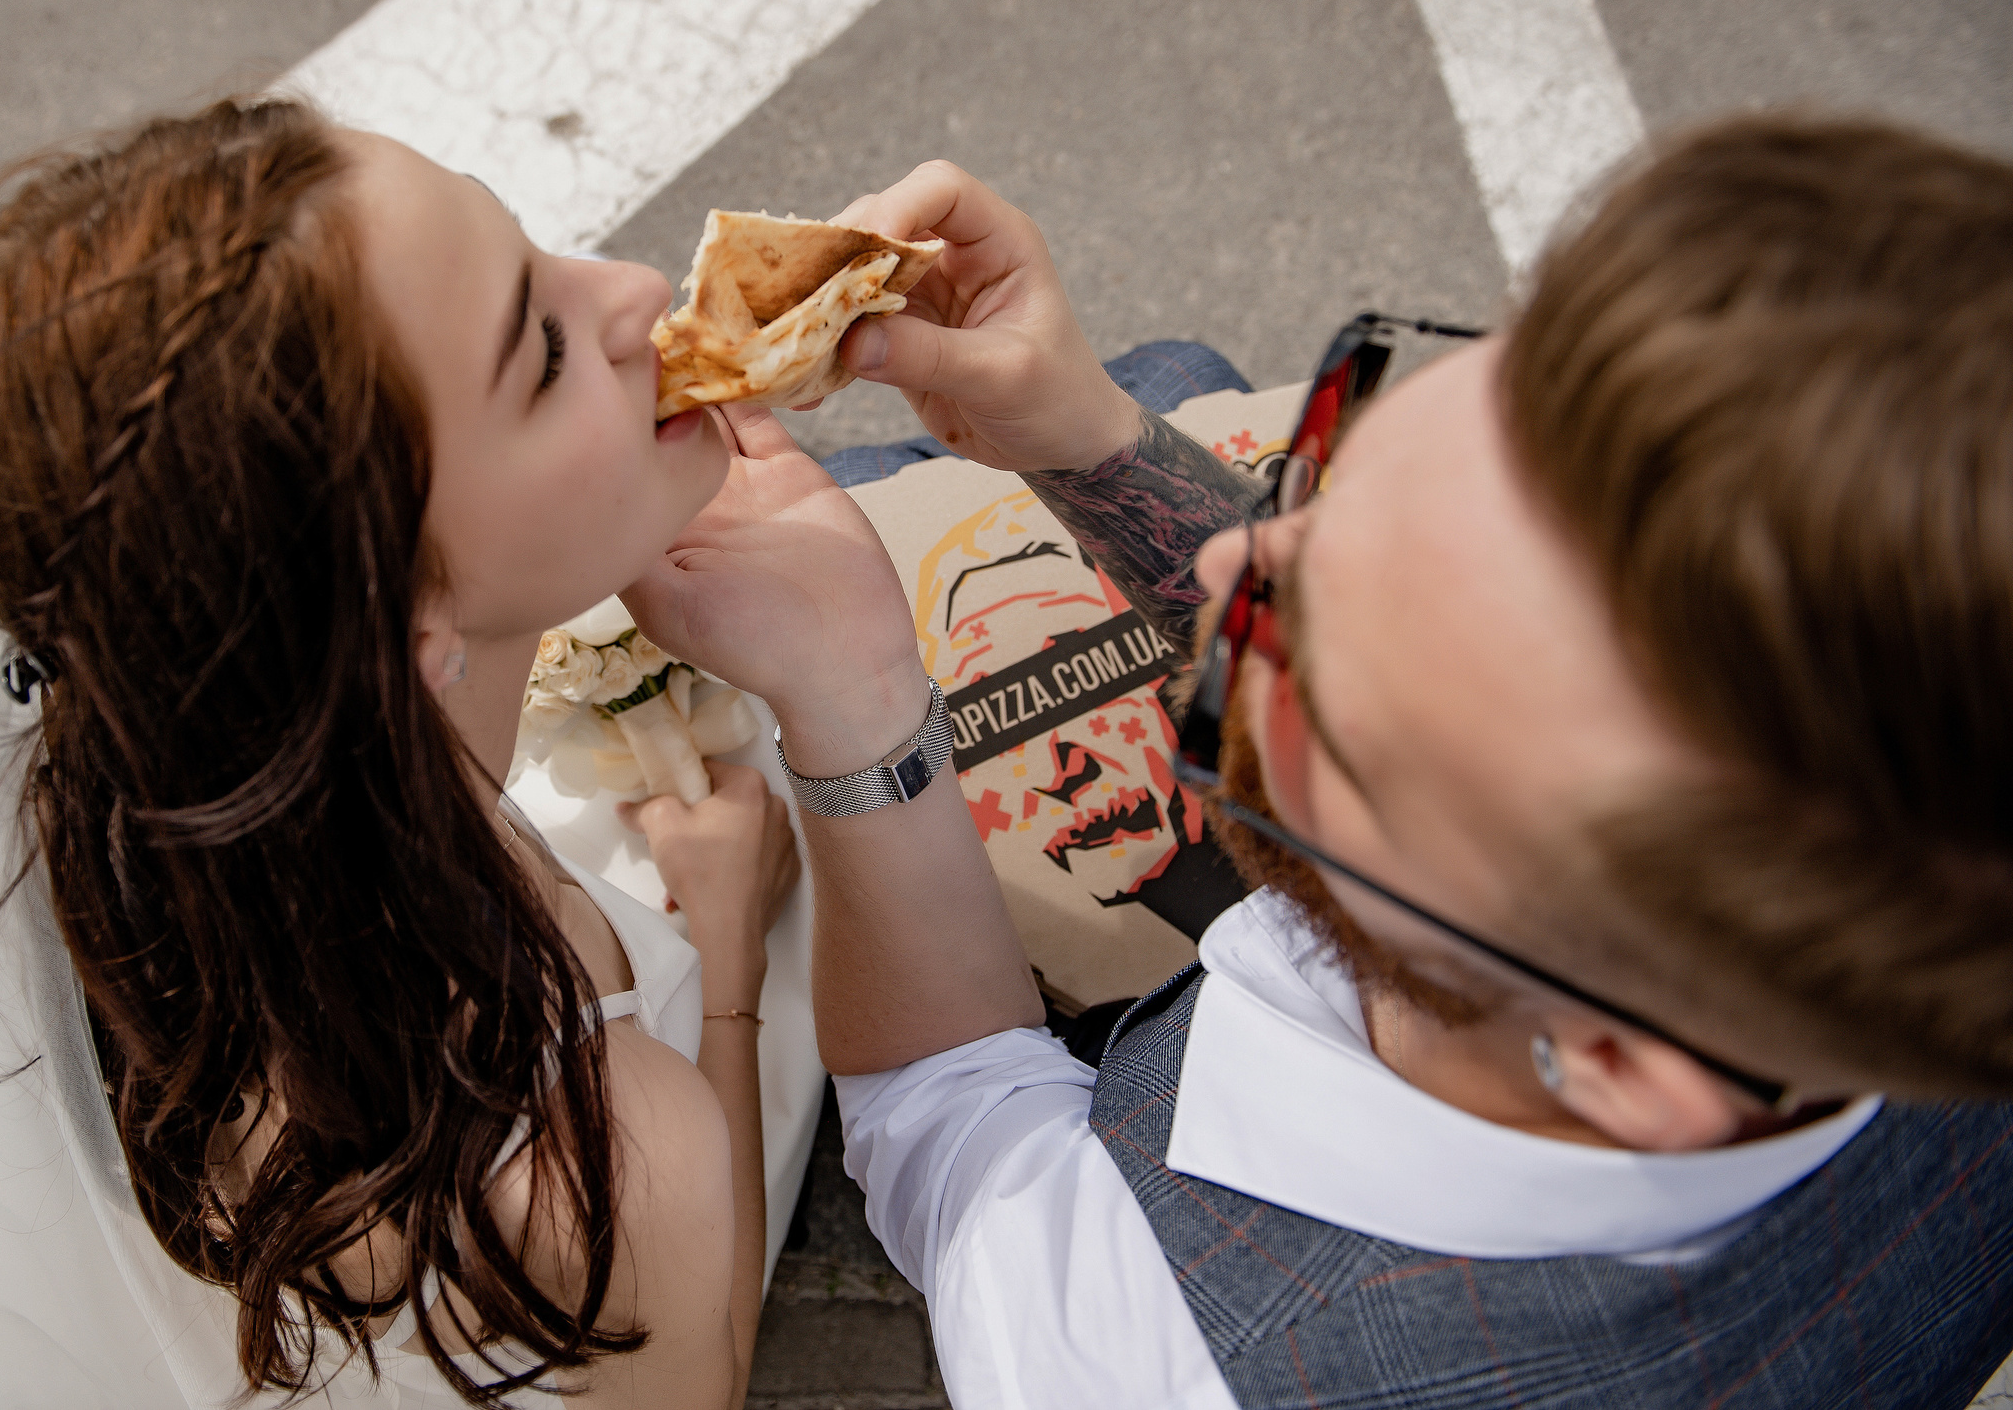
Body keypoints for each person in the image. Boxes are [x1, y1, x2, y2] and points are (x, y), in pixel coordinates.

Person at [624, 115, 2013, 1408]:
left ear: (1609, 1054)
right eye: (1342, 467)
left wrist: (857, 693)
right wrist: (1085, 434)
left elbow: (951, 1113)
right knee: (1165, 382)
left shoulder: (1148, 1354)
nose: (1227, 556)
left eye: (1325, 677)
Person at [0, 97, 806, 1408]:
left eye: (538, 252)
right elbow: (709, 1379)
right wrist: (732, 953)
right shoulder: (606, 1164)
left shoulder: (110, 695)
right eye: (539, 352)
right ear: (400, 619)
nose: (640, 291)